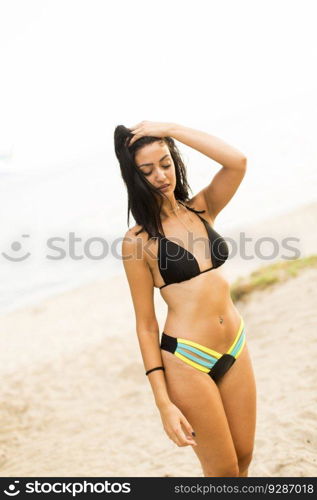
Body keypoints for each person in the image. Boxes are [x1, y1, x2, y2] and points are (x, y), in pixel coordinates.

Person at [115, 121, 257, 477]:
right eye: (147, 170)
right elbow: (146, 325)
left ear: (175, 160)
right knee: (222, 472)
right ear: (135, 177)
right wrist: (163, 403)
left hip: (235, 346)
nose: (161, 175)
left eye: (165, 162)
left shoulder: (202, 208)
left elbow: (236, 161)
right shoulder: (137, 242)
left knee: (243, 457)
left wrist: (172, 129)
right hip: (187, 359)